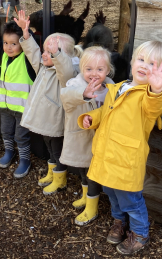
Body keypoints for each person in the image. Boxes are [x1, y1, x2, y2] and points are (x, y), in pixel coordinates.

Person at [78, 40, 162, 255]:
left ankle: (140, 234)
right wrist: (91, 118)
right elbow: (106, 112)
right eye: (141, 60)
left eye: (153, 64)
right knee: (111, 192)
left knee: (130, 199)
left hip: (126, 160)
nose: (144, 65)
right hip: (106, 154)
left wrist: (157, 87)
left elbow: (155, 109)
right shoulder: (120, 87)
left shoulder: (148, 96)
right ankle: (119, 222)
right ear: (132, 62)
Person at [16, 10, 80, 195]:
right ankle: (52, 173)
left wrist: (57, 55)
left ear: (62, 57)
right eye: (45, 50)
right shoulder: (43, 66)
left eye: (50, 52)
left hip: (55, 120)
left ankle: (60, 178)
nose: (44, 54)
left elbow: (65, 69)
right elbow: (32, 52)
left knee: (57, 149)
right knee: (49, 147)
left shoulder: (67, 73)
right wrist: (26, 33)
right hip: (44, 119)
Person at [60, 46, 114, 225]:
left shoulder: (111, 87)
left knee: (93, 173)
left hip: (100, 139)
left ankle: (92, 207)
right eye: (89, 69)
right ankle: (86, 197)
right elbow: (66, 98)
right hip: (81, 137)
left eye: (100, 69)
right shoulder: (75, 85)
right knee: (83, 169)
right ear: (81, 69)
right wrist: (83, 94)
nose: (94, 74)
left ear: (108, 70)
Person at [0, 10, 36, 178]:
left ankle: (25, 160)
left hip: (22, 108)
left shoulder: (26, 59)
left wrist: (25, 32)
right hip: (5, 106)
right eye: (6, 43)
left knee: (21, 136)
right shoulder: (4, 56)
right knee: (5, 131)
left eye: (13, 43)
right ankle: (9, 152)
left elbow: (32, 49)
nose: (8, 47)